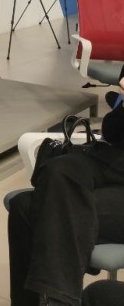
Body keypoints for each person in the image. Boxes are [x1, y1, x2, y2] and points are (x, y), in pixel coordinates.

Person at [8, 106, 124, 306]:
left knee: (30, 209)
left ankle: (59, 300)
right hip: (112, 161)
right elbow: (111, 131)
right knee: (58, 170)